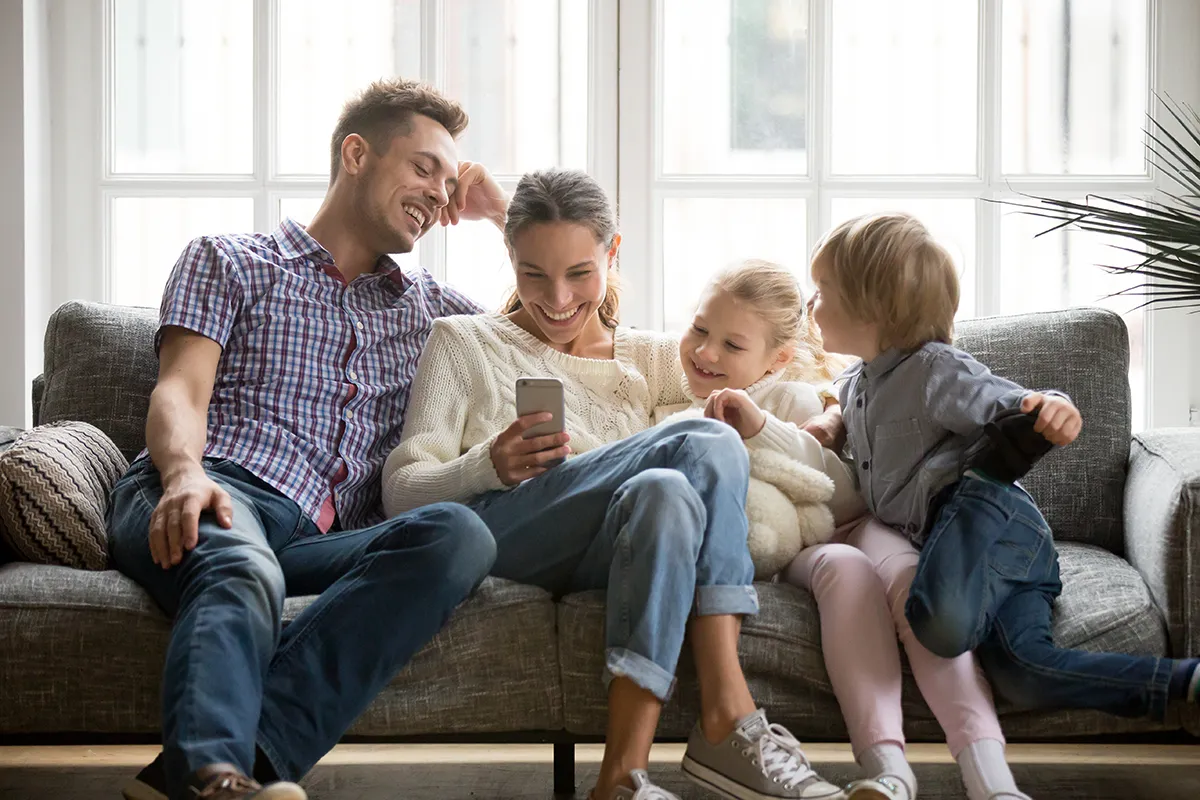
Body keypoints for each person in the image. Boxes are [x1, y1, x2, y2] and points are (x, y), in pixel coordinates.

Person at [384, 167, 847, 800]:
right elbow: (401, 491)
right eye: (532, 274)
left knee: (669, 493)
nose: (556, 299)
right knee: (704, 440)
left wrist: (835, 409)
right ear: (510, 259)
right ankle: (729, 716)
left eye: (580, 273)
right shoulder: (464, 343)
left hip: (611, 547)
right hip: (508, 533)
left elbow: (762, 376)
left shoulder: (656, 358)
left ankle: (621, 777)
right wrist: (487, 464)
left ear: (613, 253)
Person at [107, 78, 511, 800]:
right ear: (357, 154)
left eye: (450, 184)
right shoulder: (231, 260)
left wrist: (504, 217)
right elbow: (181, 390)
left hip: (320, 542)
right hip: (217, 488)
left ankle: (225, 772)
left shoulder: (435, 314)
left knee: (458, 535)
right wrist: (182, 474)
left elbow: (565, 326)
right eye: (423, 167)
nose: (437, 193)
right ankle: (212, 777)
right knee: (244, 568)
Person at [808, 213, 1200, 746]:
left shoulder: (933, 369)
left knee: (939, 625)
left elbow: (1008, 401)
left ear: (872, 305)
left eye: (822, 291)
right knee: (1023, 674)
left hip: (993, 527)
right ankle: (1185, 684)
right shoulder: (855, 382)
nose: (811, 305)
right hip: (990, 559)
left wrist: (1051, 406)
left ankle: (992, 473)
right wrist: (830, 426)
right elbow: (844, 415)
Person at [663, 259, 1029, 800]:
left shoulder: (796, 398)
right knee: (846, 568)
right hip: (804, 547)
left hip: (858, 521)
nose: (706, 352)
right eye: (699, 329)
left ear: (777, 359)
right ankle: (887, 767)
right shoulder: (673, 411)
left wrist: (761, 427)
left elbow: (843, 488)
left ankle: (990, 776)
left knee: (911, 581)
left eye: (732, 345)